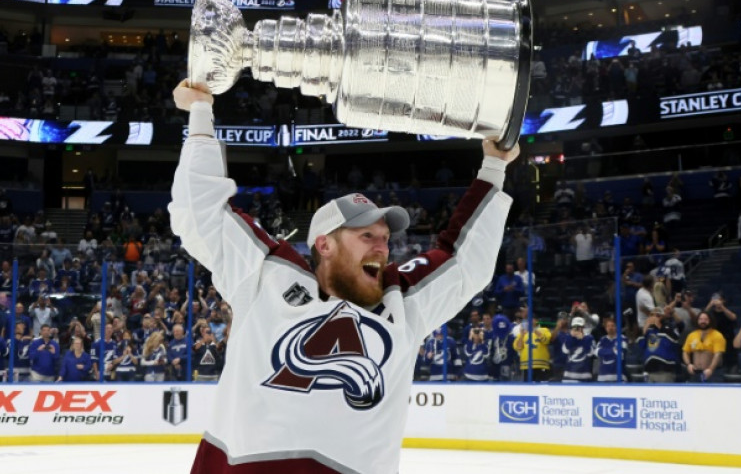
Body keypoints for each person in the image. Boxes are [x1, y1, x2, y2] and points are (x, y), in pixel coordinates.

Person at [169, 80, 516, 473]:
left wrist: (495, 164)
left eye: (385, 238)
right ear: (324, 245)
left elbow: (464, 260)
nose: (382, 247)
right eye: (366, 236)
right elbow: (201, 214)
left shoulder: (403, 302)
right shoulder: (267, 274)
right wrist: (199, 113)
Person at [639, 307, 681, 382]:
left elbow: (674, 341)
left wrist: (658, 325)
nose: (654, 318)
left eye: (657, 315)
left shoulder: (670, 327)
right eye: (652, 315)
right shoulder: (649, 331)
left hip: (665, 370)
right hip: (650, 371)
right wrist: (644, 329)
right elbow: (640, 347)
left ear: (663, 316)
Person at [682, 311, 726, 383]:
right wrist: (688, 364)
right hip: (696, 372)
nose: (703, 321)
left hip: (713, 373)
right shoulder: (692, 335)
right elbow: (685, 352)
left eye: (706, 319)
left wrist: (711, 369)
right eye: (701, 319)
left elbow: (718, 354)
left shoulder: (717, 335)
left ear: (710, 320)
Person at [561, 317, 595, 383]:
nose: (577, 329)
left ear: (583, 327)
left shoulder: (589, 337)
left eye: (579, 326)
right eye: (575, 326)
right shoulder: (568, 337)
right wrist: (571, 337)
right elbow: (565, 351)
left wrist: (583, 339)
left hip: (585, 374)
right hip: (569, 374)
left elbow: (591, 353)